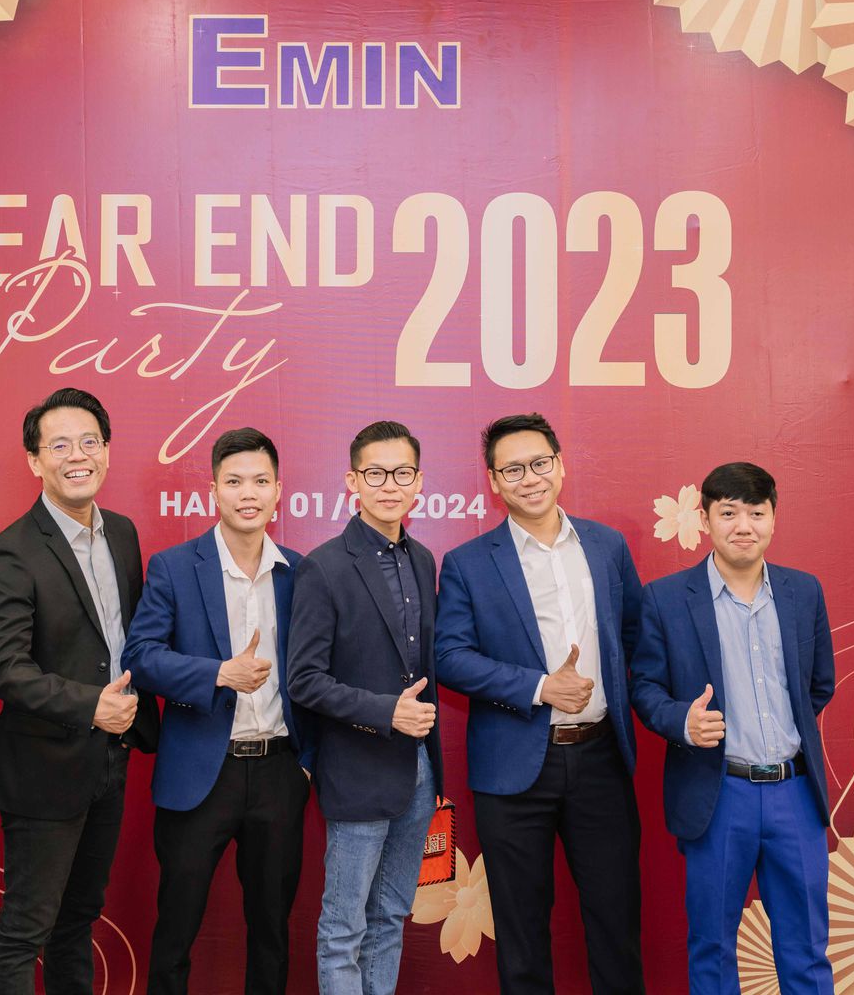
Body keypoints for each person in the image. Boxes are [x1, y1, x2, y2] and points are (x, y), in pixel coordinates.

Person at [435, 413, 645, 994]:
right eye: (513, 470)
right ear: (493, 481)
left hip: (601, 760)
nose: (529, 478)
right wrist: (539, 687)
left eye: (539, 463)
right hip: (513, 767)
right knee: (522, 935)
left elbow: (635, 637)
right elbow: (449, 656)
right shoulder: (469, 563)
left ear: (560, 465)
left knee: (617, 924)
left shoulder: (606, 546)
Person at [0, 387, 160, 995]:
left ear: (107, 450)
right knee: (26, 929)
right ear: (35, 460)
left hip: (110, 760)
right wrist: (91, 706)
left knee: (79, 920)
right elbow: (4, 667)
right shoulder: (12, 550)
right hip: (43, 769)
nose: (77, 456)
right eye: (59, 446)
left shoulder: (123, 535)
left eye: (89, 442)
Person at [629, 462, 835, 995]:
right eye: (728, 513)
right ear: (705, 519)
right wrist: (683, 721)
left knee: (807, 948)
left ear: (774, 518)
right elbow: (645, 688)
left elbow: (818, 686)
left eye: (756, 513)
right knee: (713, 947)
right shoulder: (665, 599)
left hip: (795, 792)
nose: (743, 526)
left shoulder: (803, 592)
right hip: (718, 793)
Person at [124, 427, 314, 995]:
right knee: (176, 929)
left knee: (272, 931)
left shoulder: (300, 572)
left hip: (279, 771)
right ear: (213, 491)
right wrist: (217, 674)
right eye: (234, 482)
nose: (247, 494)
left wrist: (307, 763)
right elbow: (141, 657)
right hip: (200, 774)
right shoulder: (175, 566)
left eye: (260, 481)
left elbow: (319, 671)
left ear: (278, 491)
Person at [286, 420, 444, 995]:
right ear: (352, 481)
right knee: (343, 930)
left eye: (402, 473)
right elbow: (303, 680)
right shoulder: (323, 565)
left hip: (418, 770)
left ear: (419, 481)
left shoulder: (423, 559)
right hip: (355, 769)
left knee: (390, 918)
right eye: (375, 473)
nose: (389, 485)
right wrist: (385, 711)